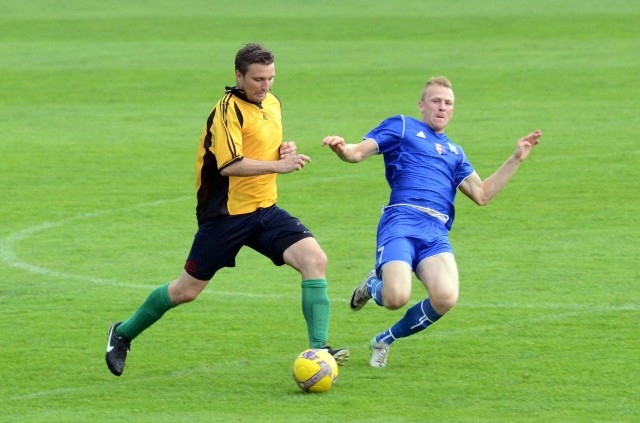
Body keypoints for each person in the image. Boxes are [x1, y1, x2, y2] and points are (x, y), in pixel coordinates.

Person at [106, 43, 349, 376]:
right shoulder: (227, 111)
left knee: (315, 259)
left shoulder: (273, 103)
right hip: (226, 216)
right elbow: (229, 165)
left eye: (271, 78)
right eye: (258, 79)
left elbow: (261, 146)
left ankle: (319, 351)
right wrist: (280, 166)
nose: (265, 86)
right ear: (239, 76)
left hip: (265, 210)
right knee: (185, 290)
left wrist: (282, 152)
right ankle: (122, 333)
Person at [322, 76, 541, 368]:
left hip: (435, 231)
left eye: (448, 103)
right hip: (401, 220)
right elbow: (358, 152)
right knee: (396, 297)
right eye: (436, 101)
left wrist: (515, 159)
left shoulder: (455, 152)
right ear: (422, 105)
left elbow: (482, 194)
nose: (442, 107)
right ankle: (374, 285)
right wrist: (342, 149)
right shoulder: (402, 126)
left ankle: (384, 340)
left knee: (446, 298)